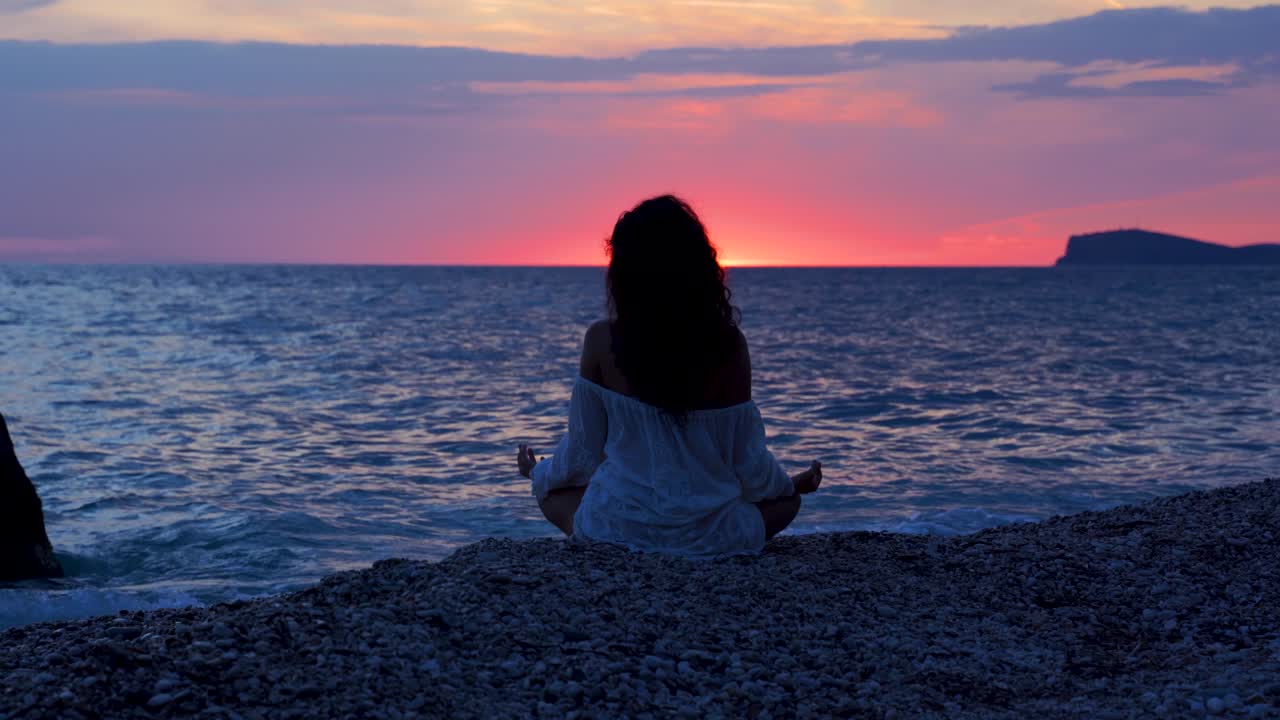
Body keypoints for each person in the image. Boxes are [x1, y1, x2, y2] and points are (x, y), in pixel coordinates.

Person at [517, 195, 822, 558]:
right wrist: (789, 487)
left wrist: (536, 473)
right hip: (715, 535)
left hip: (614, 530)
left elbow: (583, 456)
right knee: (788, 506)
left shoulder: (601, 340)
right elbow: (748, 462)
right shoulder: (729, 345)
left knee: (553, 493)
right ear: (699, 268)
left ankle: (613, 536)